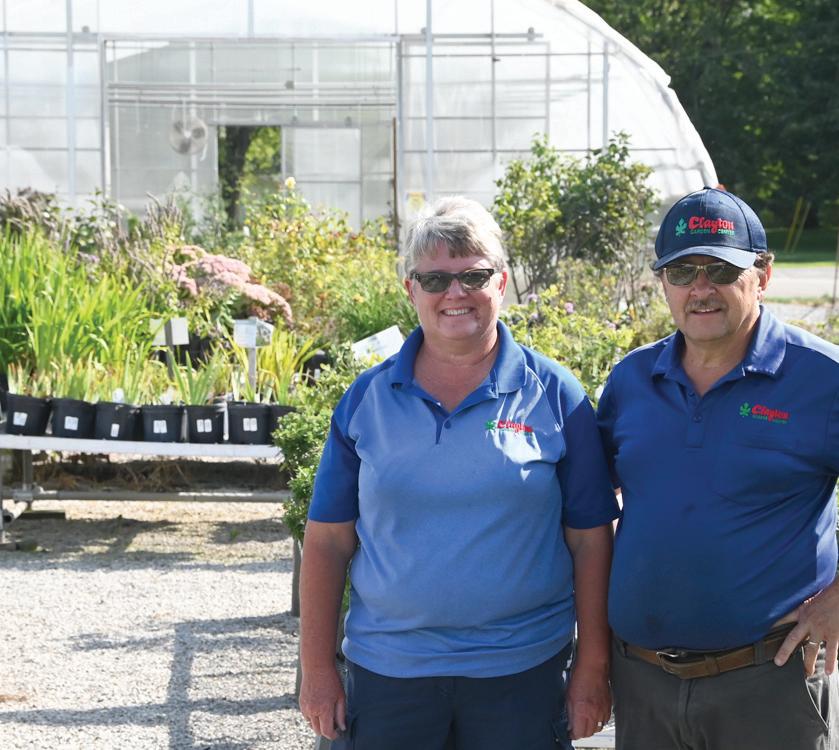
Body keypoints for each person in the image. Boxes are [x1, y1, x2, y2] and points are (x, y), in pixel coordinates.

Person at [298, 196, 619, 749]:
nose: (455, 293)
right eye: (435, 279)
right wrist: (318, 670)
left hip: (521, 672)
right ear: (411, 290)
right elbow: (326, 541)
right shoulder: (367, 399)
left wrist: (593, 667)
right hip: (389, 673)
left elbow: (591, 540)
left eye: (474, 275)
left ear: (502, 284)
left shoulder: (555, 394)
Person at [597, 186, 839, 749]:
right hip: (643, 681)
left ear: (763, 275)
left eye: (721, 271)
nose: (700, 289)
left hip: (768, 684)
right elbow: (589, 505)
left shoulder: (822, 379)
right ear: (663, 283)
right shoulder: (632, 380)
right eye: (682, 272)